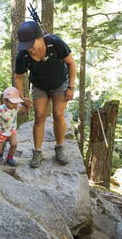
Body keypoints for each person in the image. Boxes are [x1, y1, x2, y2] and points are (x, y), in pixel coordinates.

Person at [14, 21, 77, 168]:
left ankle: (59, 147)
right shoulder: (23, 55)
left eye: (31, 44)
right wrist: (21, 97)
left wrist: (71, 87)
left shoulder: (55, 43)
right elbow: (18, 77)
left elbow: (71, 64)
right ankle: (37, 151)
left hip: (60, 82)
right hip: (39, 86)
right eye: (25, 45)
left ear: (40, 37)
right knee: (39, 116)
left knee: (58, 114)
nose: (28, 48)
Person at [0, 86, 28, 166]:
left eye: (16, 102)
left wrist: (27, 105)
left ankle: (9, 158)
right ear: (5, 101)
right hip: (0, 132)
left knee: (14, 144)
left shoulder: (16, 106)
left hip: (11, 131)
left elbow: (25, 110)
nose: (14, 105)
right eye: (12, 103)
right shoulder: (1, 109)